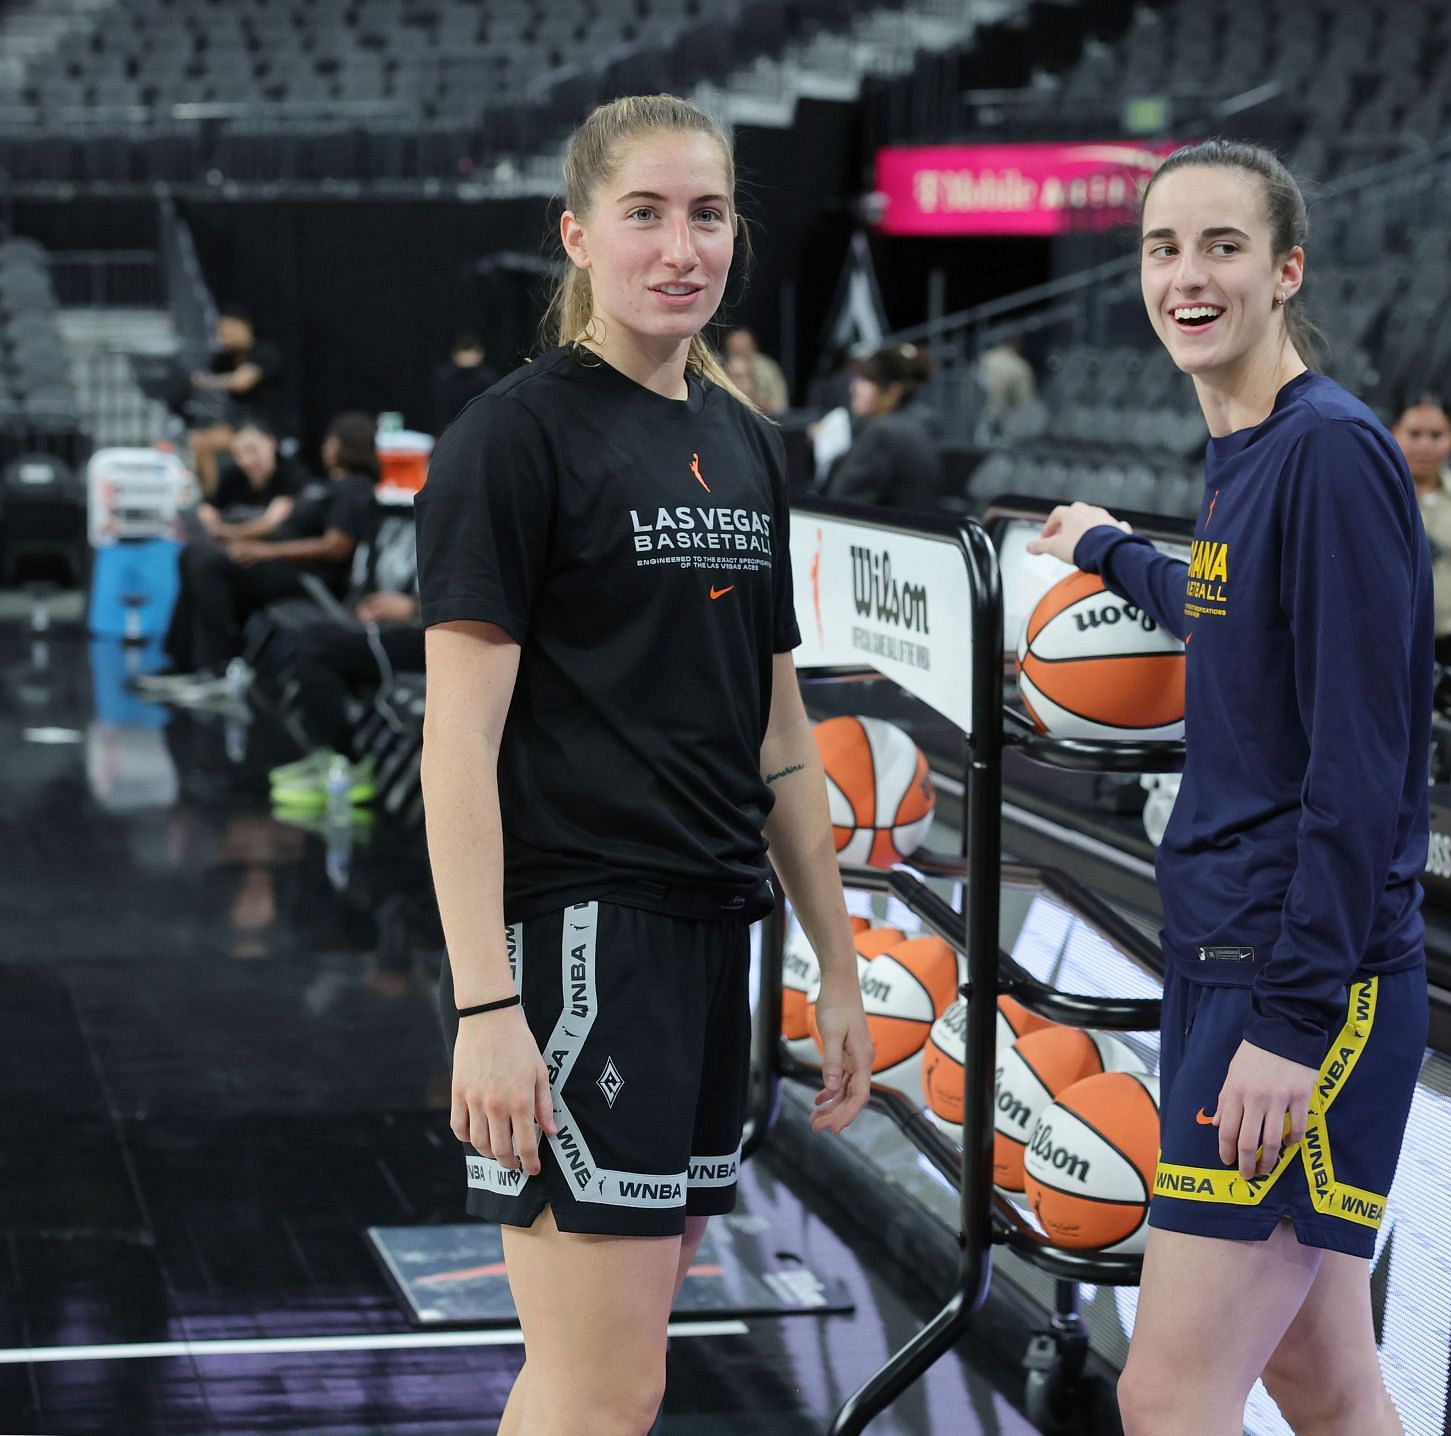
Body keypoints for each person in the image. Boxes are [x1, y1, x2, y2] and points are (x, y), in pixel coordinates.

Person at [412, 93, 874, 1436]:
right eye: (647, 215)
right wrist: (486, 1009)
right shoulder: (515, 438)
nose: (683, 247)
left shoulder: (744, 442)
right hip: (580, 943)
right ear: (579, 236)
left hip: (708, 935)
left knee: (620, 1368)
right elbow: (458, 743)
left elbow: (777, 731)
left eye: (709, 214)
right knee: (601, 1386)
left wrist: (834, 964)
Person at [1027, 139, 1430, 1436]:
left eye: (1222, 246)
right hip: (1235, 950)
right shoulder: (1251, 449)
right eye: (1162, 247)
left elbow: (1360, 765)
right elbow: (1228, 608)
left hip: (1302, 978)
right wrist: (1110, 551)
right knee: (1324, 1384)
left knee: (1169, 1394)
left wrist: (1295, 1021)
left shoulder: (1332, 453)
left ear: (1285, 270)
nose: (1186, 275)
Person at [157, 412, 380, 684]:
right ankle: (183, 661)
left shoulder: (353, 489)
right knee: (193, 553)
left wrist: (266, 551)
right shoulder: (326, 485)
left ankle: (216, 666)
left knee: (208, 564)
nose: (325, 448)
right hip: (279, 561)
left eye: (330, 442)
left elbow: (336, 546)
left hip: (306, 577)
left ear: (343, 446)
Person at [266, 589, 423, 809]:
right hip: (408, 619)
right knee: (314, 636)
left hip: (434, 634)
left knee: (318, 648)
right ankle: (331, 757)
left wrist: (414, 607)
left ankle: (346, 762)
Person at [1390, 394, 1451, 668]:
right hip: (1389, 645)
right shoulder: (1377, 498)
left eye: (1436, 435)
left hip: (1450, 649)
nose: (1425, 445)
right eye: (1414, 434)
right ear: (1393, 433)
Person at [819, 344, 944, 511]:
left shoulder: (884, 434)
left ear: (893, 391)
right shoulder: (922, 424)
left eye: (866, 380)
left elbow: (842, 501)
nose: (854, 387)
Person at [187, 304, 289, 494]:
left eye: (227, 331)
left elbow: (241, 381)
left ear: (244, 326)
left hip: (266, 425)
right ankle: (211, 499)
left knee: (251, 448)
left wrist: (206, 381)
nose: (223, 337)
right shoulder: (226, 359)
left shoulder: (263, 352)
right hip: (239, 423)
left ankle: (264, 495)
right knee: (199, 441)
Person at [196, 415, 305, 541]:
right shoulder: (233, 474)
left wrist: (226, 532)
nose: (245, 461)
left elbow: (271, 522)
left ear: (271, 443)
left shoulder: (292, 474)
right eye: (238, 454)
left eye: (251, 450)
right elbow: (207, 509)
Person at [430, 332, 503, 434]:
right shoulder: (443, 377)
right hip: (449, 429)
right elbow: (441, 412)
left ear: (480, 353)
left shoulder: (489, 378)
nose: (468, 357)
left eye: (472, 351)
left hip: (481, 428)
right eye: (464, 351)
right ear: (455, 354)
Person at [723, 326, 788, 414]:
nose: (744, 381)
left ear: (753, 348)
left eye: (748, 376)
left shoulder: (767, 368)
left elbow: (781, 407)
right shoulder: (720, 368)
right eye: (735, 351)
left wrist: (763, 405)